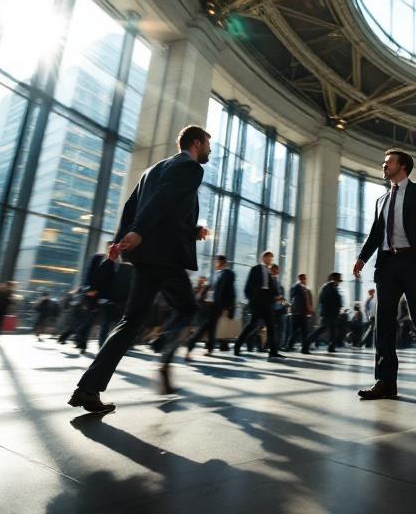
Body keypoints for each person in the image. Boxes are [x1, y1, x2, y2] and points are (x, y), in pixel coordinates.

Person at [68, 125, 211, 413]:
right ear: (196, 143)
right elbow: (164, 200)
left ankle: (88, 389)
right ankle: (162, 349)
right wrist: (140, 232)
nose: (210, 149)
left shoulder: (153, 169)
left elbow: (132, 206)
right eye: (208, 143)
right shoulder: (192, 168)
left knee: (130, 322)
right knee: (188, 309)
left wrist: (124, 238)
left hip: (146, 256)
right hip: (166, 256)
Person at [352, 148, 416, 399]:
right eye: (384, 163)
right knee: (383, 322)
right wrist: (362, 258)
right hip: (387, 265)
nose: (384, 166)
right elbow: (376, 234)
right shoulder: (381, 200)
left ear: (403, 166)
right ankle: (386, 381)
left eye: (388, 163)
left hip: (415, 262)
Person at [236, 251, 283, 359]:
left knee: (271, 327)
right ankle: (237, 346)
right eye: (269, 258)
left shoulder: (271, 273)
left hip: (268, 302)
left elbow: (276, 293)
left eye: (272, 258)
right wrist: (251, 300)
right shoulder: (256, 269)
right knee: (252, 325)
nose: (271, 260)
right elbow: (248, 286)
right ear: (264, 258)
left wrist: (285, 303)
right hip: (257, 301)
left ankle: (273, 352)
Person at [186, 255, 235, 357]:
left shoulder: (228, 274)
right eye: (215, 261)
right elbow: (210, 287)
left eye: (217, 261)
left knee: (206, 325)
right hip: (209, 304)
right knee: (212, 326)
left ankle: (191, 344)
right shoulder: (214, 274)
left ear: (222, 262)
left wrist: (230, 305)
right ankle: (210, 348)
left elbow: (230, 290)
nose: (215, 263)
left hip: (218, 304)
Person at [303, 272, 344, 353]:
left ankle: (331, 347)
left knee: (333, 331)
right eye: (337, 281)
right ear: (333, 280)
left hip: (331, 314)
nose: (338, 283)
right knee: (321, 329)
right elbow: (326, 301)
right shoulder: (328, 288)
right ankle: (306, 344)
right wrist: (335, 309)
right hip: (329, 314)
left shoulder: (330, 287)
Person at [285, 273, 313, 351]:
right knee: (296, 331)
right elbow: (293, 299)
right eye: (303, 278)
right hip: (297, 313)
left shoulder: (305, 289)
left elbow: (308, 300)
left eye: (305, 278)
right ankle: (290, 346)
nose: (304, 280)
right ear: (299, 279)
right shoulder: (296, 287)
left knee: (303, 331)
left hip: (302, 313)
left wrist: (309, 310)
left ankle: (303, 348)